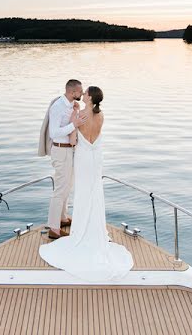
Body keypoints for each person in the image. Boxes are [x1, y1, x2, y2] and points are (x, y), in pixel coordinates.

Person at [39, 86, 134, 281]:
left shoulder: (80, 114)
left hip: (82, 158)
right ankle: (94, 230)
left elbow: (73, 141)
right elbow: (95, 135)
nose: (82, 94)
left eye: (85, 93)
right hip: (96, 159)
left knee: (82, 194)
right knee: (94, 192)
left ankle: (79, 231)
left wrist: (74, 121)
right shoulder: (101, 116)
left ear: (89, 97)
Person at [38, 79, 87, 239]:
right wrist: (75, 124)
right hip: (61, 150)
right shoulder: (58, 107)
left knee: (67, 186)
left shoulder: (71, 105)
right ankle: (54, 228)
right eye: (80, 91)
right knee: (60, 189)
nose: (82, 93)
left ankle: (62, 218)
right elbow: (53, 133)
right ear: (73, 92)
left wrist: (75, 118)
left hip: (69, 151)